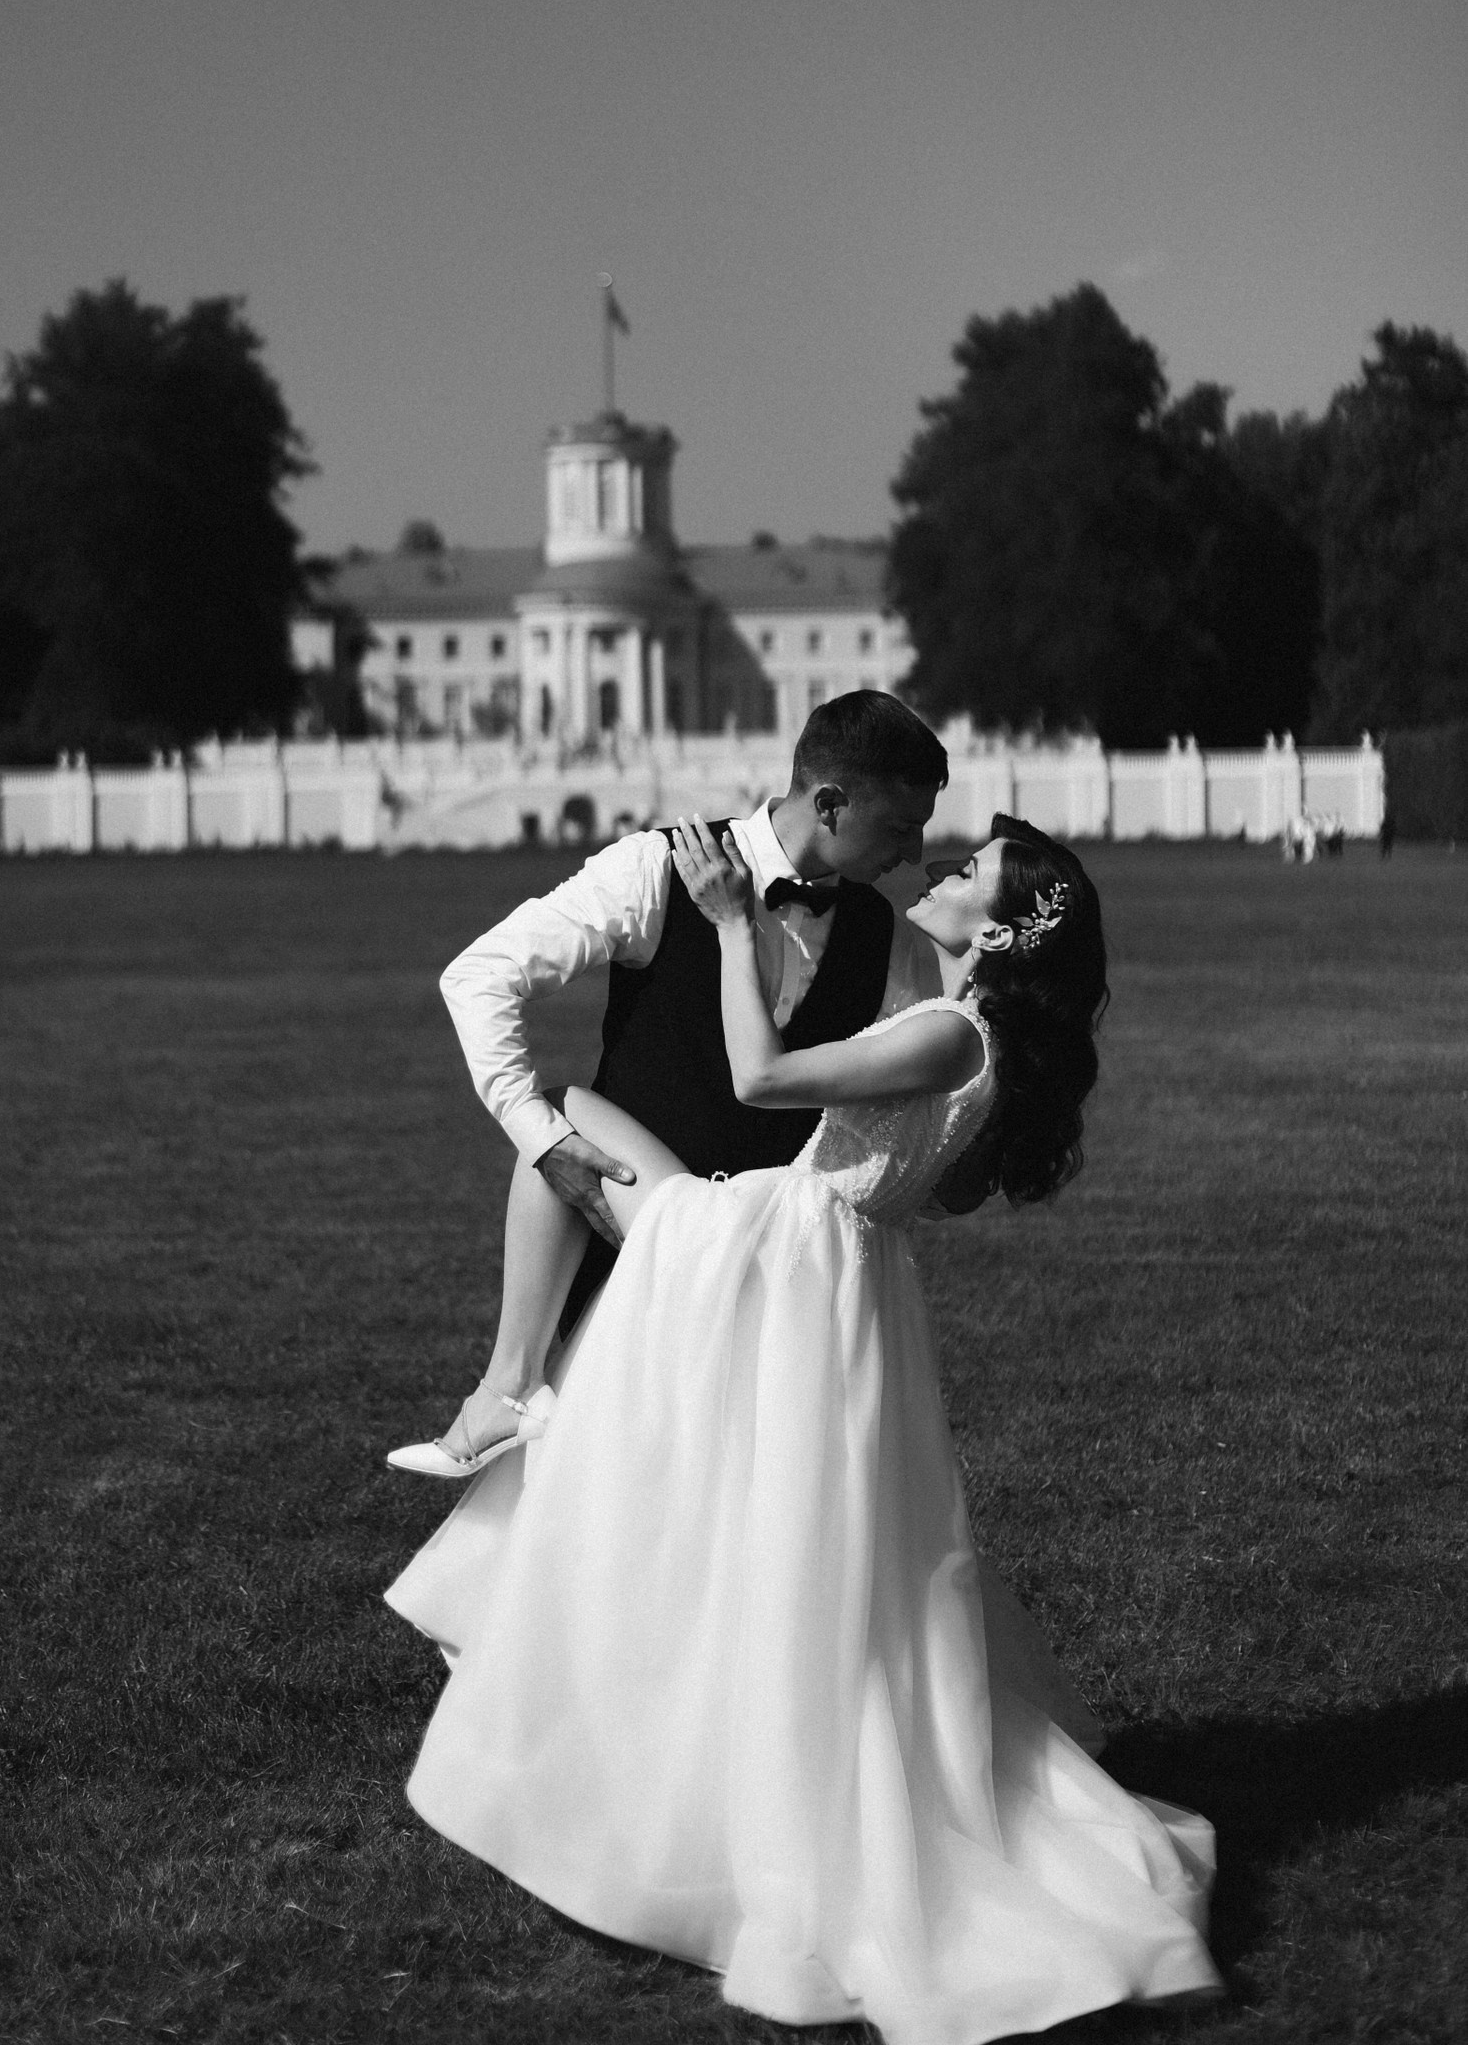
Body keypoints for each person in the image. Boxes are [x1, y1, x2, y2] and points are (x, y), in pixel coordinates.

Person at [386, 815, 1220, 2041]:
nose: (934, 874)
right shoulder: (957, 1023)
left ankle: (512, 1390)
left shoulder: (948, 1029)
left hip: (781, 1252)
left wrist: (731, 924)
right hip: (832, 1265)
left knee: (562, 1116)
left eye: (964, 875)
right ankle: (518, 1398)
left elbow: (761, 1079)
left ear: (994, 931)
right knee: (762, 1507)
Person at [395, 691, 950, 1476]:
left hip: (774, 1285)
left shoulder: (884, 938)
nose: (915, 848)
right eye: (899, 826)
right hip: (621, 1248)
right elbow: (480, 976)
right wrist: (542, 1141)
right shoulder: (653, 866)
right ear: (829, 802)